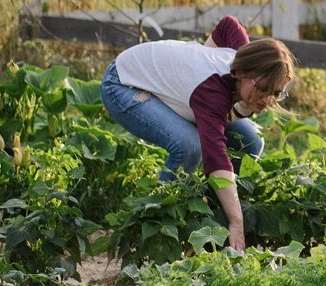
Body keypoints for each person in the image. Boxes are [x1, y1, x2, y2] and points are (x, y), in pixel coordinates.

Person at [99, 19, 294, 252]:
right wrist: (237, 221)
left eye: (275, 93)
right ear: (241, 73)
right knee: (190, 146)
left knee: (251, 141)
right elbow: (215, 157)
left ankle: (210, 217)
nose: (267, 100)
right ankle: (156, 233)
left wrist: (200, 59)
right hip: (124, 83)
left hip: (174, 85)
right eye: (262, 89)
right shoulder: (211, 90)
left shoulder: (246, 58)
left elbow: (228, 25)